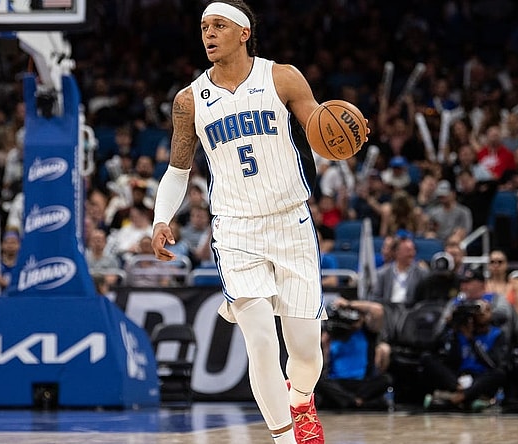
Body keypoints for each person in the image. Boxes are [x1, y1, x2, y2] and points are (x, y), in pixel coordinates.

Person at [150, 2, 370, 442]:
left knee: (306, 352)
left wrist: (340, 131)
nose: (208, 34)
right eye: (203, 27)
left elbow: (317, 126)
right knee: (261, 345)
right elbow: (178, 170)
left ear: (244, 32)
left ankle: (302, 398)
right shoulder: (189, 100)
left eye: (219, 26)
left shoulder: (281, 77)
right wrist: (160, 219)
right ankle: (285, 439)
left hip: (291, 222)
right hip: (236, 230)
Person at [421, 297, 509, 412]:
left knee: (499, 373)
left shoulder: (497, 334)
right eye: (478, 312)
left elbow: (492, 364)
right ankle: (464, 395)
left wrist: (471, 340)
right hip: (458, 378)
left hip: (481, 377)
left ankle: (457, 399)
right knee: (427, 358)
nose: (482, 314)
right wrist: (449, 326)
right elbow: (443, 354)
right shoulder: (460, 332)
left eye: (487, 311)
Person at [314, 298, 392, 411]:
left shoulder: (366, 332)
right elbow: (324, 365)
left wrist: (348, 304)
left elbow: (378, 310)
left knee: (386, 379)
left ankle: (352, 402)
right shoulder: (331, 336)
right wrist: (325, 347)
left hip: (362, 383)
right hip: (338, 383)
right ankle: (356, 402)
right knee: (320, 382)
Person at [485, 250, 518, 315]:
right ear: (488, 265)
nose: (496, 265)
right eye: (492, 262)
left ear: (506, 264)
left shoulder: (516, 284)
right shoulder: (484, 285)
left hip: (512, 321)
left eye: (500, 262)